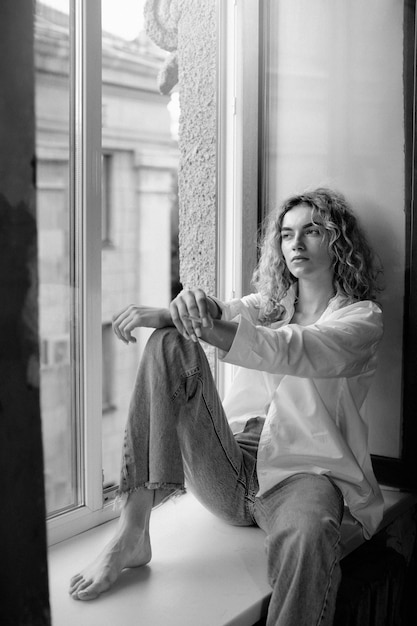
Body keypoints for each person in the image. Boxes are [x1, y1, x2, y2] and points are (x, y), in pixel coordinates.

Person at [69, 187, 384, 626]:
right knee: (170, 340)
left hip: (305, 475)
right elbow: (226, 310)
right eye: (287, 233)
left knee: (311, 537)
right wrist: (179, 310)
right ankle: (132, 532)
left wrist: (204, 322)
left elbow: (293, 349)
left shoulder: (361, 319)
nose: (296, 242)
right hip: (231, 464)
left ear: (338, 242)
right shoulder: (268, 307)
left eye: (312, 231)